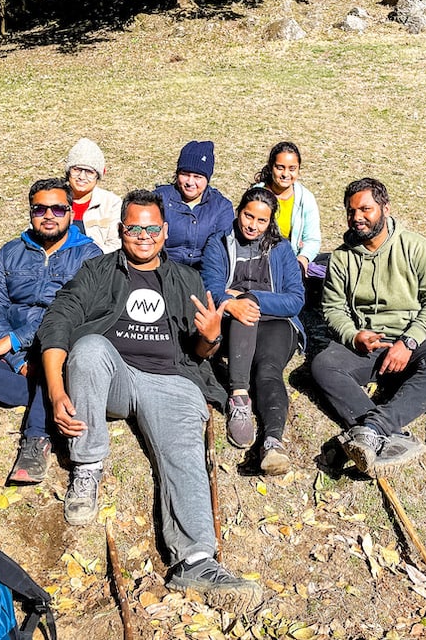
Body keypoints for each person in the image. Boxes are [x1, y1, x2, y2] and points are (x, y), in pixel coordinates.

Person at [36, 189, 262, 609]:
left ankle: (195, 561)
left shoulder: (185, 278)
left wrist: (211, 338)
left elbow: (199, 352)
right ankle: (86, 467)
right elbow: (58, 321)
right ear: (122, 230)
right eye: (135, 228)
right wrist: (55, 389)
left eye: (152, 228)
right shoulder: (98, 271)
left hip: (172, 381)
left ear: (165, 231)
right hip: (115, 380)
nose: (143, 236)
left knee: (184, 454)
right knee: (87, 348)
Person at [0, 179, 102, 483]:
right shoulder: (11, 252)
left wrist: (16, 341)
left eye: (58, 208)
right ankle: (48, 393)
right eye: (40, 208)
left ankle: (36, 438)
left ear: (71, 212)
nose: (48, 215)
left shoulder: (89, 257)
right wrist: (17, 358)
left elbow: (72, 314)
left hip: (59, 345)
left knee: (54, 364)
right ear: (30, 212)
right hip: (13, 352)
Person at [310, 178, 426, 478]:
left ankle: (372, 428)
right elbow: (333, 309)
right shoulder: (341, 257)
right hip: (370, 345)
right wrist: (353, 335)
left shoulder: (415, 247)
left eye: (366, 209)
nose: (357, 218)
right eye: (351, 211)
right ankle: (391, 437)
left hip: (416, 339)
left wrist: (410, 342)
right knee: (322, 366)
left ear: (385, 208)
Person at [201, 187, 306, 474]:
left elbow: (295, 300)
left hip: (275, 323)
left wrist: (251, 298)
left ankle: (273, 440)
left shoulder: (281, 249)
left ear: (270, 221)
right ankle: (239, 397)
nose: (253, 225)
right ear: (239, 212)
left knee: (268, 370)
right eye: (248, 216)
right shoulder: (219, 244)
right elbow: (210, 284)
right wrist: (227, 302)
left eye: (261, 221)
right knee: (242, 315)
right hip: (234, 323)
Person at [154, 140, 234, 270]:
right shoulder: (159, 199)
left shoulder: (221, 207)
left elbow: (220, 253)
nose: (190, 182)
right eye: (185, 174)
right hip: (163, 269)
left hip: (202, 273)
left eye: (197, 177)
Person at [253, 141, 321, 275]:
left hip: (291, 263)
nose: (285, 174)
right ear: (271, 167)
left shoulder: (306, 199)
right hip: (257, 261)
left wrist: (302, 260)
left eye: (292, 168)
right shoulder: (256, 195)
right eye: (280, 167)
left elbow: (312, 239)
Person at [65, 137, 122, 253]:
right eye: (77, 169)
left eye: (89, 172)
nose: (82, 176)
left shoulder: (111, 203)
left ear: (99, 175)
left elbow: (115, 244)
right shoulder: (54, 198)